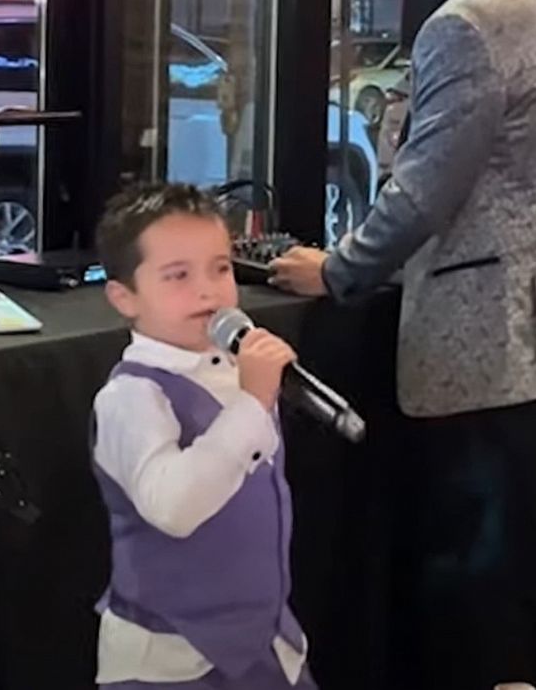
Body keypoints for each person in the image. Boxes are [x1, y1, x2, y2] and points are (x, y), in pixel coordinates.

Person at [268, 0, 536, 690]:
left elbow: (426, 191)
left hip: (491, 344)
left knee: (477, 591)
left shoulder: (467, 24)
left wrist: (338, 268)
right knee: (526, 583)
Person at [90, 182, 316, 690]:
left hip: (267, 646)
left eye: (220, 268)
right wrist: (252, 403)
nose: (208, 291)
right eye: (178, 276)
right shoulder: (131, 397)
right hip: (170, 662)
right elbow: (173, 506)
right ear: (124, 297)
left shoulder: (237, 369)